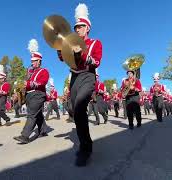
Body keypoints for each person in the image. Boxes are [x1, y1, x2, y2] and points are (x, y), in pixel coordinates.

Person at [56, 3, 102, 166]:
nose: (77, 29)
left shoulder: (95, 43)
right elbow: (63, 58)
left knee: (81, 106)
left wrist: (82, 54)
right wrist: (60, 48)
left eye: (80, 26)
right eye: (75, 27)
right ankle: (85, 141)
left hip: (88, 76)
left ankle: (85, 148)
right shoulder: (71, 42)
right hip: (74, 78)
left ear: (87, 28)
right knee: (76, 111)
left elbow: (96, 62)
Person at [13, 39, 49, 144]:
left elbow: (42, 82)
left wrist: (29, 83)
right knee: (37, 114)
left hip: (38, 94)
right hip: (30, 95)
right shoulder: (31, 73)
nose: (32, 63)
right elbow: (27, 84)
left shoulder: (44, 71)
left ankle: (24, 136)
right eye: (32, 61)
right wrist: (24, 82)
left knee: (31, 114)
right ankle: (43, 130)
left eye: (34, 61)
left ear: (39, 61)